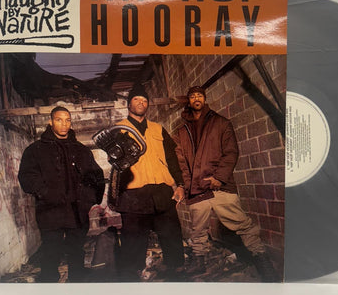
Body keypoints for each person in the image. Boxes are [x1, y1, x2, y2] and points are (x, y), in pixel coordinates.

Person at [174, 86, 278, 282]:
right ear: (189, 101)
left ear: (204, 99)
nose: (196, 99)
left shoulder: (221, 123)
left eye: (199, 95)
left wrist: (219, 178)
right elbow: (181, 162)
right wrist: (187, 184)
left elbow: (231, 152)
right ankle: (199, 261)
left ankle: (262, 261)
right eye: (193, 96)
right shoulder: (181, 131)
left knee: (243, 225)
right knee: (197, 230)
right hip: (196, 190)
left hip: (220, 187)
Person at [18, 106, 105, 282]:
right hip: (50, 210)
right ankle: (49, 280)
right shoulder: (35, 150)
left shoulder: (81, 150)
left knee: (77, 247)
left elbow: (96, 175)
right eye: (59, 120)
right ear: (50, 122)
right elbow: (27, 176)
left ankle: (77, 279)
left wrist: (89, 200)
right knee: (51, 248)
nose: (64, 124)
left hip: (77, 210)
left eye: (67, 120)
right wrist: (45, 193)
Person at [110, 83, 185, 281]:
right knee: (132, 241)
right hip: (133, 194)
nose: (141, 103)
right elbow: (115, 165)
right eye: (136, 99)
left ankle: (177, 272)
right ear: (129, 104)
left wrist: (180, 185)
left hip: (161, 192)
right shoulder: (119, 130)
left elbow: (172, 159)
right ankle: (132, 277)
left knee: (171, 235)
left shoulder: (158, 129)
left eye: (144, 100)